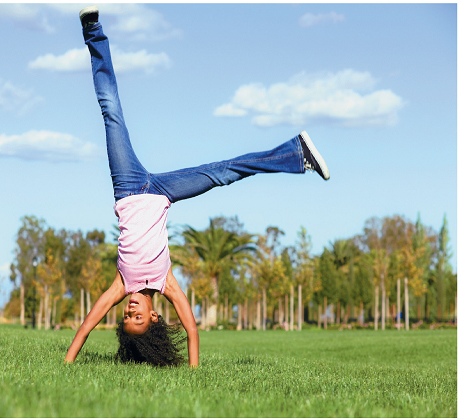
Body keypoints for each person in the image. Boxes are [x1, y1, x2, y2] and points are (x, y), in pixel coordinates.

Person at [64, 6, 330, 368]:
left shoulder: (120, 286)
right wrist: (193, 372)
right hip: (162, 192)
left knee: (111, 111)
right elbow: (191, 329)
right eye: (137, 317)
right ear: (155, 317)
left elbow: (85, 327)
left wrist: (66, 364)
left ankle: (92, 30)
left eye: (126, 318)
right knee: (223, 172)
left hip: (127, 188)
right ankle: (296, 153)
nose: (129, 312)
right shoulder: (167, 283)